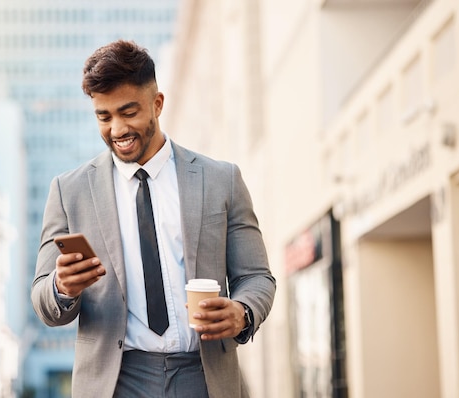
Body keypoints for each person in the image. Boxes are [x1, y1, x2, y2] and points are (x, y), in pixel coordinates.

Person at [31, 39, 276, 398]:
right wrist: (62, 286)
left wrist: (242, 312)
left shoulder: (222, 180)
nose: (117, 130)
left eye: (128, 112)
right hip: (116, 380)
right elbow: (43, 301)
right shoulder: (70, 192)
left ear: (157, 104)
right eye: (104, 116)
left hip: (204, 375)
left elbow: (257, 277)